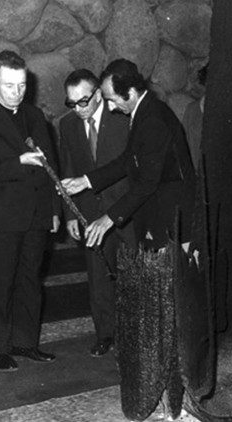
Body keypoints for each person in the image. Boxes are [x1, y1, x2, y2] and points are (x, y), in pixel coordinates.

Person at [0, 50, 60, 371]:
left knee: (31, 281)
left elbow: (52, 169)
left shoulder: (35, 116)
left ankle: (26, 342)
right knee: (1, 284)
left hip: (35, 216)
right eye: (9, 86)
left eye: (21, 85)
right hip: (1, 218)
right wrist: (18, 163)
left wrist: (54, 211)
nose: (16, 92)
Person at [61, 58, 196, 251]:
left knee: (177, 279)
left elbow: (147, 182)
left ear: (131, 92)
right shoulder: (143, 112)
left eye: (113, 100)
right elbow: (127, 160)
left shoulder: (152, 120)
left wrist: (107, 219)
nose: (111, 108)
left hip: (174, 221)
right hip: (162, 216)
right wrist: (86, 181)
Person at [58, 69, 135, 357]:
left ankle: (134, 336)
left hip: (126, 211)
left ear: (99, 94)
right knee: (99, 277)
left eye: (84, 101)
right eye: (72, 103)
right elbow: (67, 168)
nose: (78, 109)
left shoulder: (123, 119)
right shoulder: (68, 126)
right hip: (89, 213)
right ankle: (105, 334)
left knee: (132, 274)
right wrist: (69, 213)